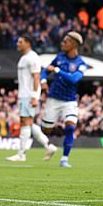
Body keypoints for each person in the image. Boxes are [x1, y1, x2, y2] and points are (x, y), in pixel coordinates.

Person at [6, 34, 57, 162]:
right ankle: (48, 146)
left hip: (28, 95)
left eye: (20, 41)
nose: (18, 44)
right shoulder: (24, 58)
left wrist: (35, 96)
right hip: (23, 95)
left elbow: (36, 77)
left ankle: (21, 154)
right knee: (28, 122)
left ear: (28, 43)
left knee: (25, 122)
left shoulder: (33, 57)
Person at [40, 31, 87, 168]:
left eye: (65, 41)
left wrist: (57, 71)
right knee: (46, 130)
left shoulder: (81, 63)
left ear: (73, 44)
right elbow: (46, 70)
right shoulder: (59, 58)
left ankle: (64, 159)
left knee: (70, 128)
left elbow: (74, 79)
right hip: (53, 99)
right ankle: (48, 144)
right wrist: (43, 80)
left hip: (70, 101)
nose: (62, 43)